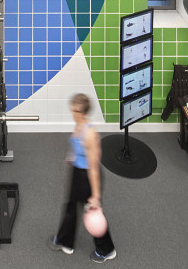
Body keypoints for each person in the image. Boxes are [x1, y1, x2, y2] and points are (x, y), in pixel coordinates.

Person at [49, 93, 118, 263]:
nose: (72, 113)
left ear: (82, 112)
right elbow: (76, 145)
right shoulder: (79, 125)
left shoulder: (90, 134)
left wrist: (95, 196)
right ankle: (66, 242)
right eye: (72, 109)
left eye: (75, 110)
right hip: (77, 172)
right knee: (71, 206)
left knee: (93, 214)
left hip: (88, 177)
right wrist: (72, 157)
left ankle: (107, 249)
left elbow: (94, 168)